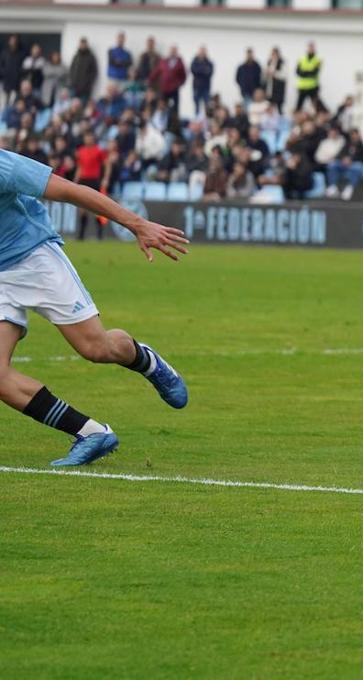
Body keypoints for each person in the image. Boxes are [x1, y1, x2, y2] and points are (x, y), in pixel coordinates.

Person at [0, 147, 190, 465]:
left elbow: (73, 191)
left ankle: (148, 362)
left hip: (34, 258)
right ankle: (91, 433)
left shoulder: (3, 165)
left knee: (95, 348)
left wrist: (136, 224)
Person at [72, 131, 109, 240]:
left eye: (90, 137)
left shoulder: (99, 151)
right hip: (83, 180)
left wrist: (105, 178)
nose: (88, 139)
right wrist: (75, 181)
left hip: (94, 180)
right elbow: (80, 167)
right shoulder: (81, 151)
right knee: (82, 209)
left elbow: (107, 165)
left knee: (96, 209)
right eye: (86, 137)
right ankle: (81, 235)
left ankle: (100, 235)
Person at [295, 41, 322, 113]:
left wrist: (304, 72)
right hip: (302, 87)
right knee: (298, 106)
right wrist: (308, 72)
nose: (311, 49)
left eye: (312, 47)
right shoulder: (302, 59)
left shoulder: (318, 60)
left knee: (316, 106)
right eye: (309, 47)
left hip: (313, 87)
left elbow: (314, 72)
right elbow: (298, 72)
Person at [190, 46, 214, 118]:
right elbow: (194, 70)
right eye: (201, 52)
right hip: (197, 87)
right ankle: (197, 119)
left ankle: (207, 120)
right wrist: (203, 70)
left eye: (204, 52)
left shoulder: (209, 63)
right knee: (197, 105)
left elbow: (209, 72)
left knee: (207, 105)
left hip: (206, 87)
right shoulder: (194, 62)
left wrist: (200, 70)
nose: (202, 53)